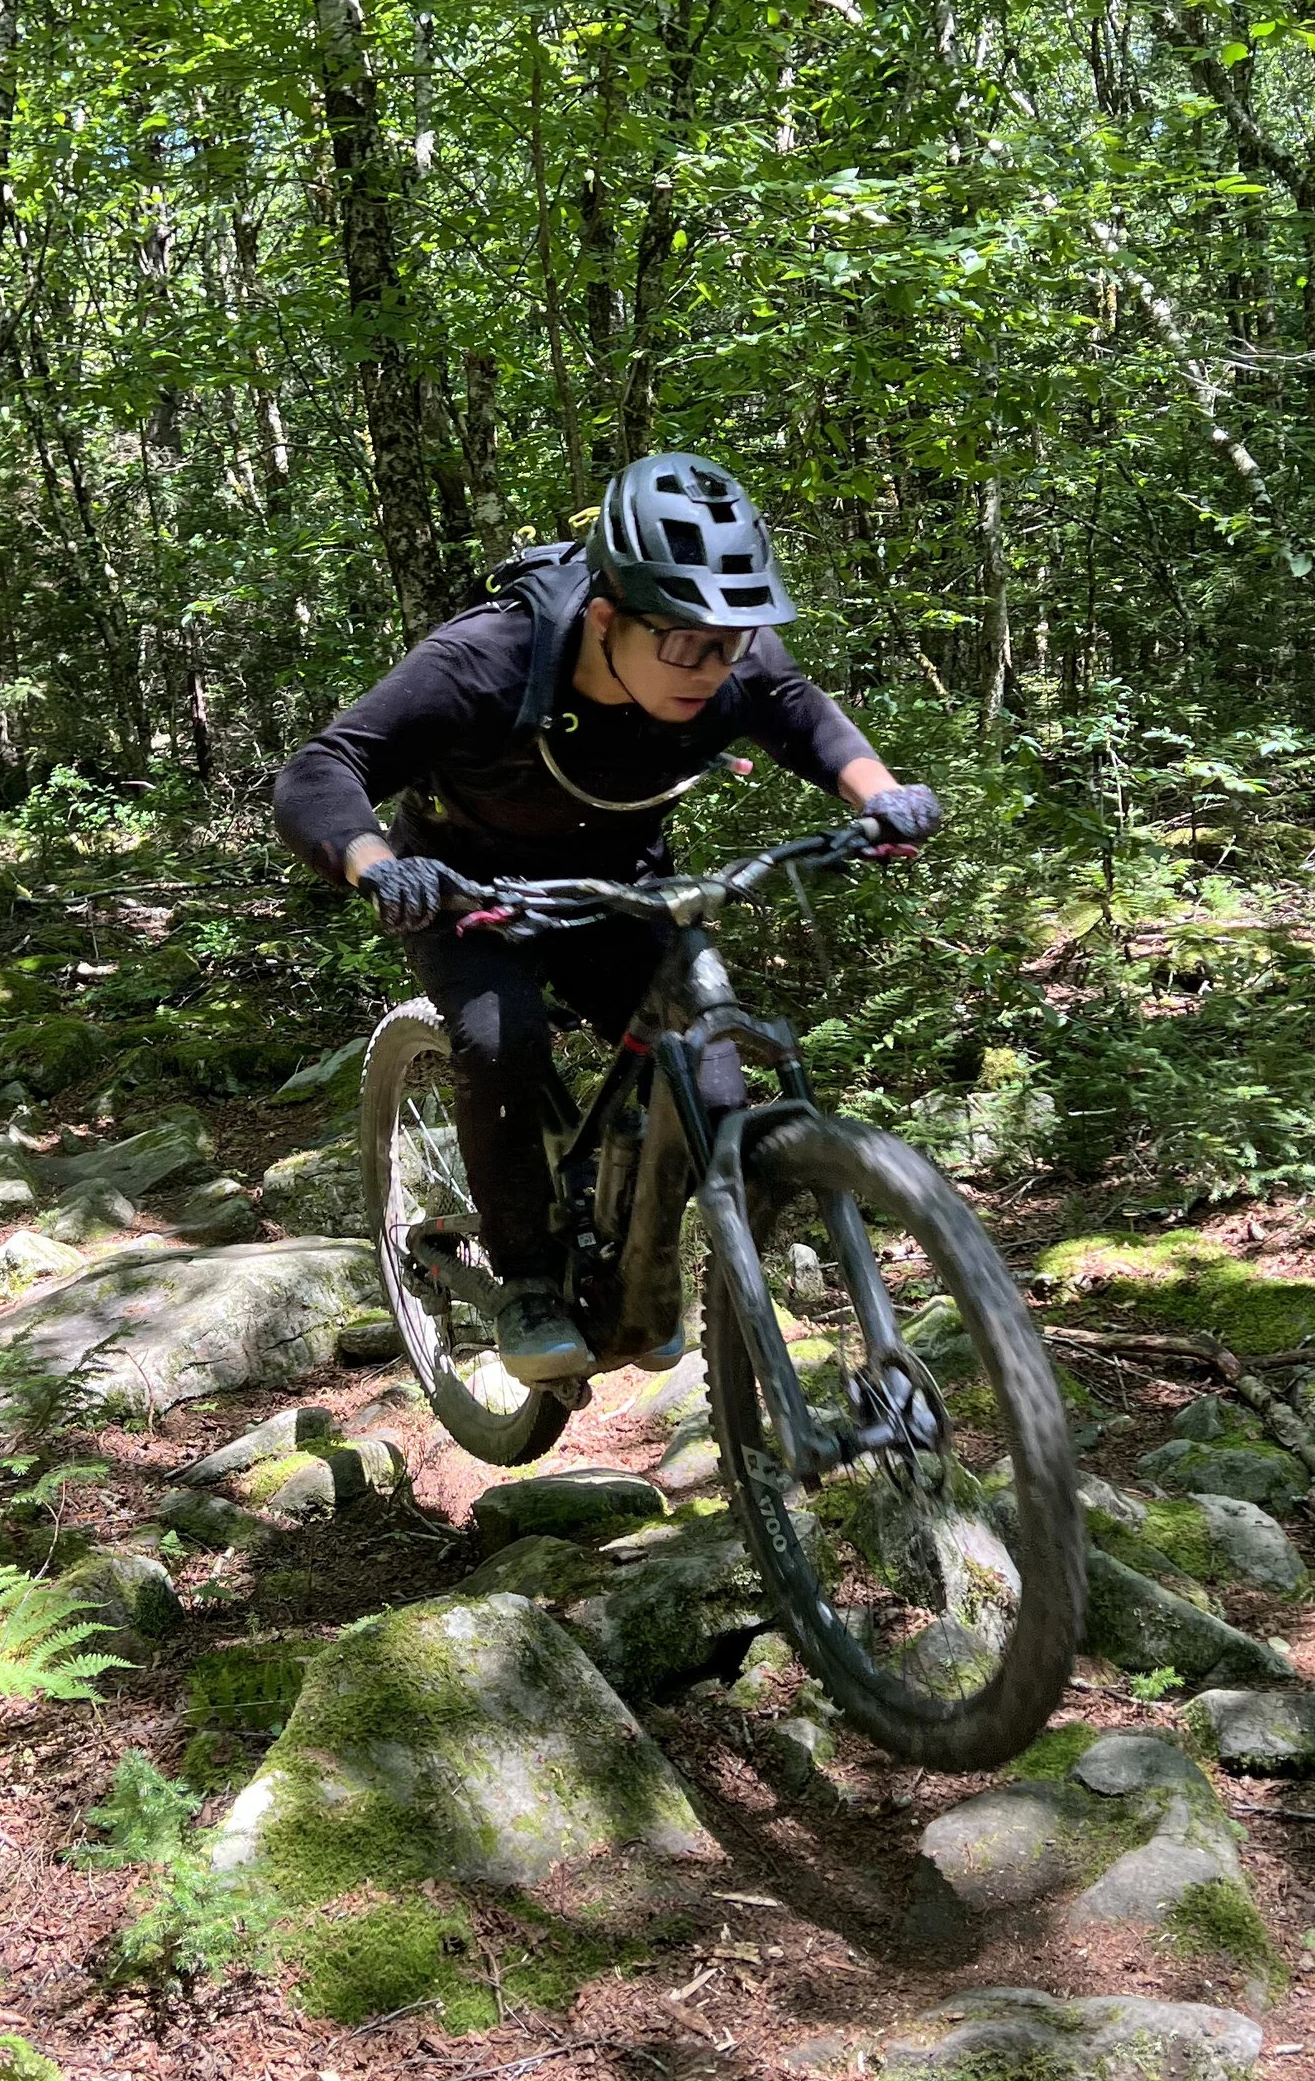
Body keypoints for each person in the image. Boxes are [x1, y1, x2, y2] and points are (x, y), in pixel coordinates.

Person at [275, 452, 942, 1384]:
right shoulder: (487, 661)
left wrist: (881, 795)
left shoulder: (729, 655)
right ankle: (529, 1280)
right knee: (502, 1042)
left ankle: (643, 1274)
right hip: (470, 893)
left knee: (713, 1090)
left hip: (624, 883)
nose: (712, 668)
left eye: (732, 642)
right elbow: (321, 768)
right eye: (683, 643)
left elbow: (796, 711)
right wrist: (379, 866)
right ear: (602, 619)